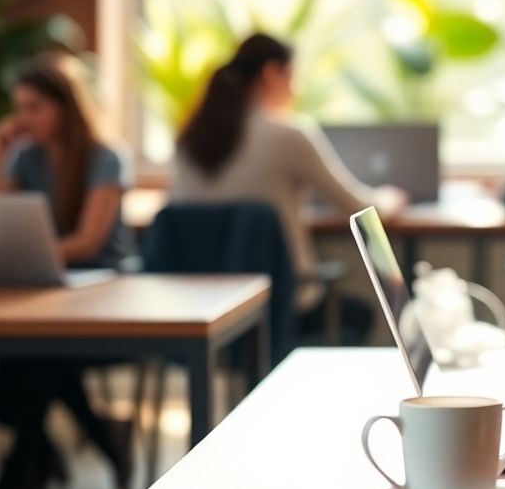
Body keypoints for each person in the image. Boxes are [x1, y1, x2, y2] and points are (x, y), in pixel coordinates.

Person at [0, 52, 136, 489]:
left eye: (33, 108)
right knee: (30, 351)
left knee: (35, 354)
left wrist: (36, 254)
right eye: (18, 108)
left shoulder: (106, 157)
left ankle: (21, 468)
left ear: (66, 106)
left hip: (108, 296)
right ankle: (99, 434)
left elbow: (87, 243)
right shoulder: (24, 155)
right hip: (47, 291)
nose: (22, 119)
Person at [171, 33, 404, 345]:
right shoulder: (288, 136)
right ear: (271, 72)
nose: (297, 88)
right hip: (279, 304)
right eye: (293, 76)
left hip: (201, 311)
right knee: (359, 314)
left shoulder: (189, 139)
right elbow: (358, 206)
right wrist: (390, 199)